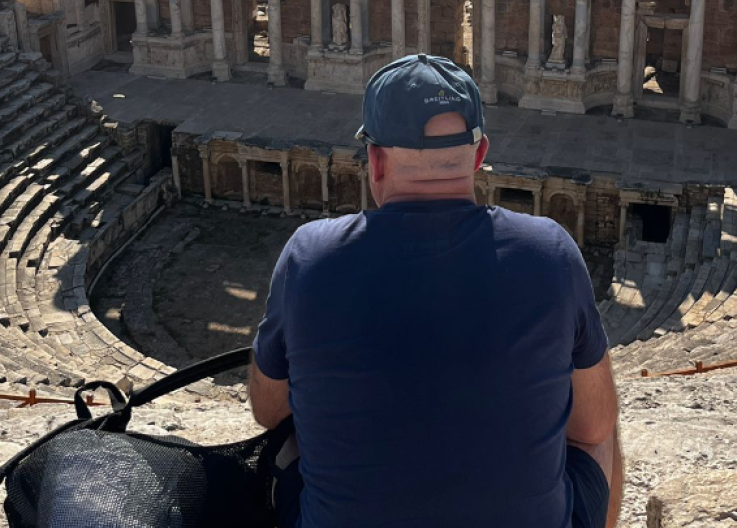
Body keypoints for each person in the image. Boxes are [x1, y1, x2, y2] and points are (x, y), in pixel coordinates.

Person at [248, 53, 623, 528]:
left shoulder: (308, 255)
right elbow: (591, 426)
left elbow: (269, 411)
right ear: (480, 155)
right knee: (599, 419)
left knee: (300, 430)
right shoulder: (550, 251)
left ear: (376, 161)